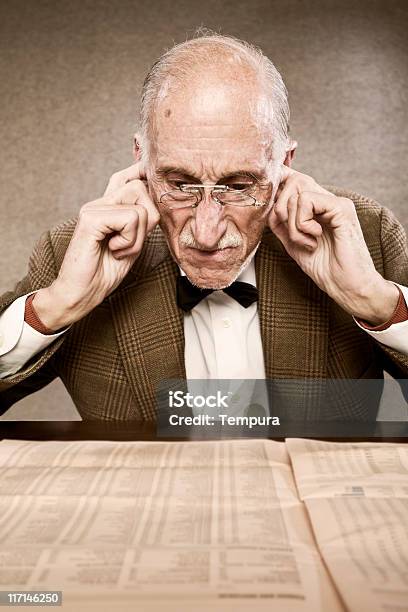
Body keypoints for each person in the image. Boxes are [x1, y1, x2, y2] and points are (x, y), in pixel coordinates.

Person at [0, 33, 407, 421]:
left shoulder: (363, 237)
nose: (207, 232)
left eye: (238, 186)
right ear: (141, 159)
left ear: (284, 164)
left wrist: (377, 303)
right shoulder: (76, 251)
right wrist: (55, 307)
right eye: (179, 184)